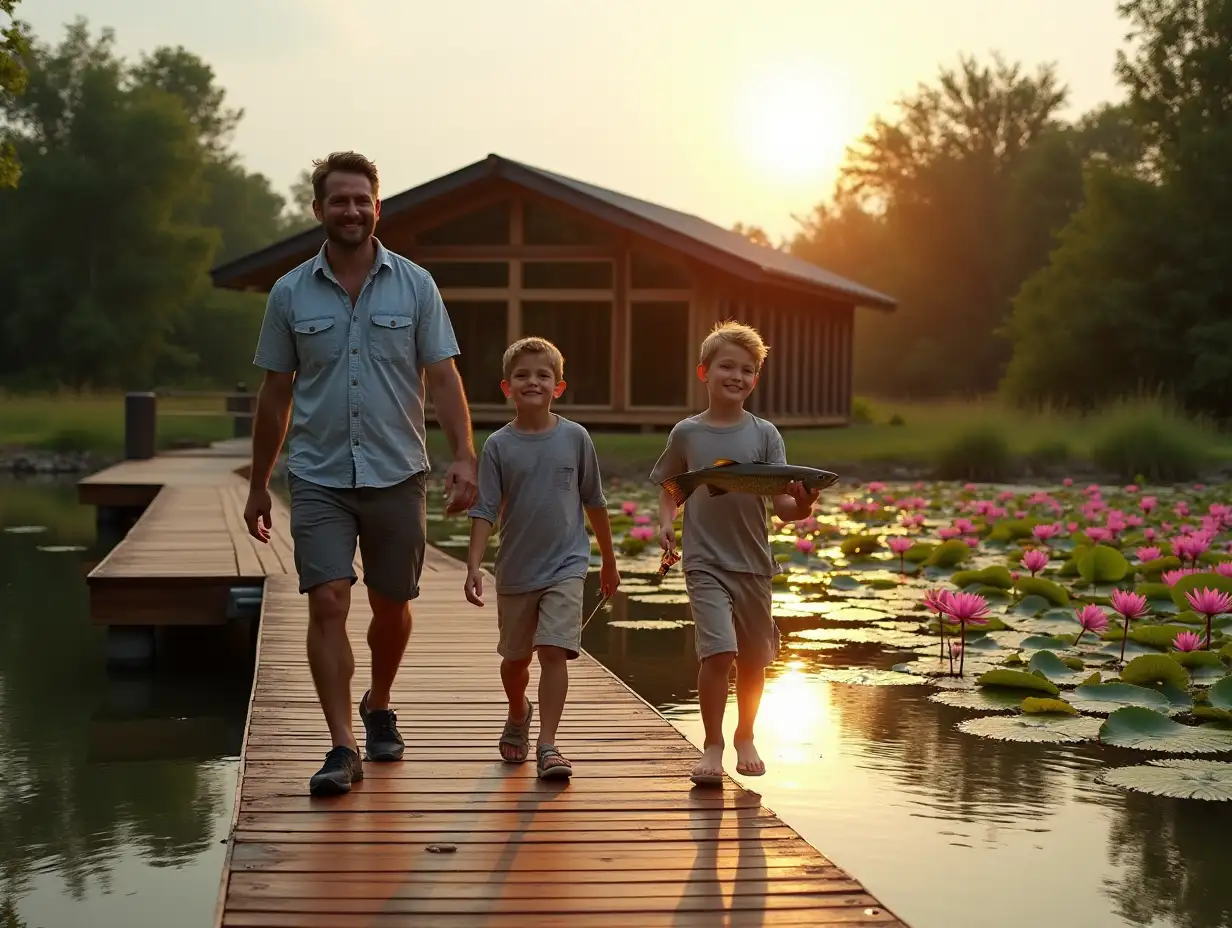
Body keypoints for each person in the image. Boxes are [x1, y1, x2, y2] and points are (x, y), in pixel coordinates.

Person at [243, 151, 479, 797]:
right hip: (318, 474)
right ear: (318, 209)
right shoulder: (291, 292)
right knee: (327, 599)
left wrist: (463, 454)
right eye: (338, 200)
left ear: (378, 206)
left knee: (393, 604)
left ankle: (380, 701)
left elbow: (442, 376)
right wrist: (261, 481)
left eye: (361, 199)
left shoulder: (415, 285)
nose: (351, 210)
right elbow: (275, 392)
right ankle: (342, 744)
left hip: (397, 471)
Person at [649, 321, 818, 787]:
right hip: (704, 561)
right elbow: (670, 487)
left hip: (754, 564)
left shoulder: (766, 435)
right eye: (726, 365)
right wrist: (666, 523)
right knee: (718, 653)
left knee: (753, 658)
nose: (736, 375)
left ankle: (745, 734)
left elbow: (784, 508)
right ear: (704, 371)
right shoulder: (687, 433)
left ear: (755, 380)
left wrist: (803, 500)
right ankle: (712, 743)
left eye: (747, 370)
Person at [463, 337, 619, 779]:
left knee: (554, 650)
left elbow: (595, 500)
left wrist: (608, 559)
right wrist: (474, 564)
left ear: (559, 387)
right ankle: (518, 711)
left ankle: (548, 745)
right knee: (515, 661)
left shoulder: (575, 438)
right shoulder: (498, 445)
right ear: (506, 387)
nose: (533, 381)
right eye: (523, 375)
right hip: (516, 570)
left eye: (542, 375)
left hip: (567, 564)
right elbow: (485, 510)